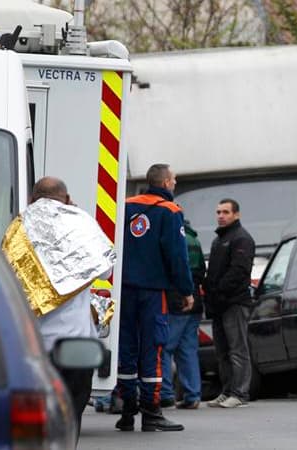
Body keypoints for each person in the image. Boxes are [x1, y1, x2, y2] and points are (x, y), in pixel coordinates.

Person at [2, 176, 115, 437]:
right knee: (70, 420)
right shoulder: (80, 223)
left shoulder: (17, 228)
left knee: (31, 422)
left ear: (32, 199)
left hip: (33, 346)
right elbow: (106, 271)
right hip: (77, 345)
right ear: (66, 197)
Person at [117, 163, 194, 432]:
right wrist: (186, 290)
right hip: (152, 293)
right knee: (153, 347)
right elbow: (177, 256)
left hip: (123, 289)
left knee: (126, 347)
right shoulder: (170, 211)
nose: (175, 184)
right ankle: (151, 411)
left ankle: (126, 409)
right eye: (173, 180)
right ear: (164, 183)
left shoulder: (124, 205)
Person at [206, 198, 256, 408]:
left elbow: (239, 271)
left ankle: (240, 393)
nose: (221, 216)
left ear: (236, 214)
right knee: (222, 351)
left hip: (234, 302)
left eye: (225, 212)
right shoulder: (219, 240)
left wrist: (219, 290)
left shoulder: (241, 238)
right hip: (218, 304)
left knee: (238, 349)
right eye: (218, 212)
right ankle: (227, 391)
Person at [161, 220, 206, 409]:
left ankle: (165, 393)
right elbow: (201, 271)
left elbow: (175, 269)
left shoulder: (176, 238)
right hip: (195, 300)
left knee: (164, 348)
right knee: (187, 350)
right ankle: (192, 394)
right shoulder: (194, 240)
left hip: (177, 300)